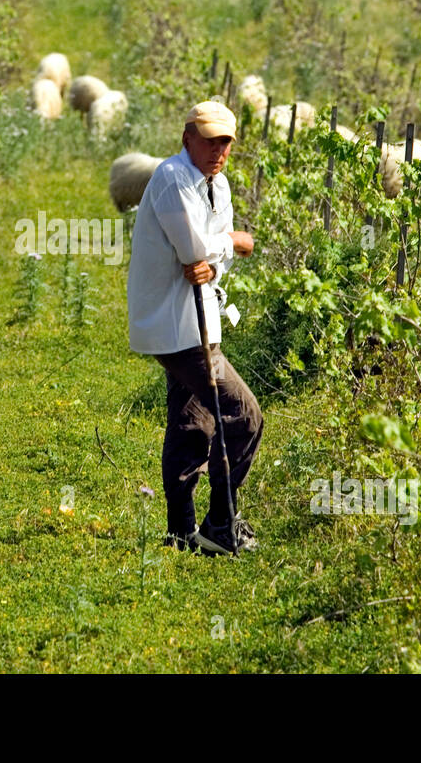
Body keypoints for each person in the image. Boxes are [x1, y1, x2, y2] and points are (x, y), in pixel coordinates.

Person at [127, 100, 264, 556]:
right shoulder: (171, 177)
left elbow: (206, 263)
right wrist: (234, 242)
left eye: (226, 141)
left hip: (199, 319)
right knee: (245, 416)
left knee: (194, 423)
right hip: (176, 324)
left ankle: (181, 530)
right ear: (188, 137)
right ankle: (220, 525)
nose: (219, 150)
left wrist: (213, 263)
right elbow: (194, 249)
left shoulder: (217, 185)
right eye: (210, 139)